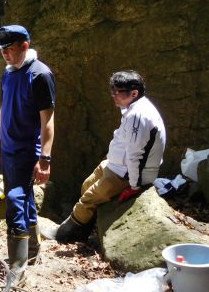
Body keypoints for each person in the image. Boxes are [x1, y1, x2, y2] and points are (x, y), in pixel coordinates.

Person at [55, 71, 166, 243]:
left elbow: (135, 155)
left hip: (126, 174)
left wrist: (134, 186)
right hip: (116, 165)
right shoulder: (134, 107)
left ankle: (65, 234)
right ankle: (85, 228)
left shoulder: (138, 115)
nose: (113, 95)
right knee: (87, 185)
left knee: (87, 200)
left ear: (134, 93)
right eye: (112, 91)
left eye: (117, 92)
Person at [0, 25, 55, 281]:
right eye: (1, 49)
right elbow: (4, 107)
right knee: (23, 198)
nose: (4, 53)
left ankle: (17, 266)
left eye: (9, 48)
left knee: (15, 200)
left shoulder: (40, 75)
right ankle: (33, 249)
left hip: (28, 152)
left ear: (24, 46)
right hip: (8, 149)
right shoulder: (8, 72)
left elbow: (48, 120)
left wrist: (45, 159)